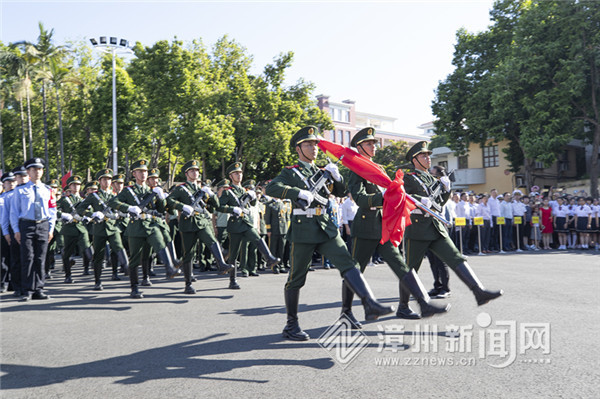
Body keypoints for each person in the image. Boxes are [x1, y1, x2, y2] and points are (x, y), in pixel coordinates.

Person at [266, 126, 395, 340]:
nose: (314, 148)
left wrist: (337, 178)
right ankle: (291, 324)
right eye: (309, 144)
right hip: (303, 229)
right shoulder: (291, 172)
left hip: (325, 226)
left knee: (349, 264)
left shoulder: (321, 172)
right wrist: (298, 192)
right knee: (297, 277)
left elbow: (343, 192)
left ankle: (369, 304)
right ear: (298, 149)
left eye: (316, 144)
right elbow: (272, 188)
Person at [340, 128, 448, 324]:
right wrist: (382, 198)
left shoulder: (379, 168)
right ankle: (346, 312)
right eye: (369, 143)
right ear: (359, 147)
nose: (374, 146)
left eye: (374, 143)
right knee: (355, 270)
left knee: (401, 265)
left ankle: (417, 304)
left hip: (383, 226)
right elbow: (359, 198)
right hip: (365, 226)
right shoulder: (356, 168)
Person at [403, 141, 503, 308]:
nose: (428, 158)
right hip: (417, 228)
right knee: (410, 268)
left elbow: (439, 203)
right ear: (414, 160)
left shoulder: (431, 178)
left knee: (456, 258)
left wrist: (446, 188)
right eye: (423, 155)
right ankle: (403, 307)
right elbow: (401, 197)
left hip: (435, 227)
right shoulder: (409, 178)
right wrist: (421, 200)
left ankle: (479, 291)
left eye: (428, 155)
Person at [108, 159, 182, 298]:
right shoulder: (128, 191)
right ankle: (134, 287)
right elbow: (113, 202)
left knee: (159, 242)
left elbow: (160, 209)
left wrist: (161, 198)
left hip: (151, 224)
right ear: (134, 174)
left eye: (145, 171)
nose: (143, 174)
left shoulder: (151, 191)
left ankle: (169, 268)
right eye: (140, 171)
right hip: (136, 226)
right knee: (135, 258)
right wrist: (128, 208)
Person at [167, 160, 234, 294]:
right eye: (192, 170)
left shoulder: (202, 190)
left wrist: (210, 193)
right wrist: (183, 207)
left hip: (202, 221)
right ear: (186, 174)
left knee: (211, 240)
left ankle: (221, 264)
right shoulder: (181, 188)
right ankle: (188, 283)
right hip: (188, 223)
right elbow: (169, 200)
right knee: (189, 254)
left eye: (197, 170)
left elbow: (214, 205)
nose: (195, 172)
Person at [218, 162, 280, 289]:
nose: (239, 175)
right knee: (234, 253)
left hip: (246, 222)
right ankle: (232, 280)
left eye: (240, 173)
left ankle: (269, 258)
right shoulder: (228, 192)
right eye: (236, 173)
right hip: (235, 224)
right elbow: (220, 207)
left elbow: (252, 205)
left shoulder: (245, 190)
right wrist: (233, 209)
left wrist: (253, 198)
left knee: (257, 238)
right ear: (231, 176)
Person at [9, 158, 57, 301]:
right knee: (27, 258)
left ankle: (39, 288)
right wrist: (16, 230)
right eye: (33, 169)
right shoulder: (20, 190)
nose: (37, 172)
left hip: (42, 225)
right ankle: (28, 289)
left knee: (40, 258)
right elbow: (14, 212)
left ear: (42, 171)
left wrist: (51, 228)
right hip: (27, 225)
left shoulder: (48, 190)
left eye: (39, 169)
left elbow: (52, 211)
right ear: (28, 172)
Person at [75, 169, 129, 290]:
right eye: (104, 179)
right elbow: (80, 209)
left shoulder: (115, 196)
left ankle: (124, 270)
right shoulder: (94, 196)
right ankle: (97, 280)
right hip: (99, 228)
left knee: (118, 248)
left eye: (109, 179)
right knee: (99, 255)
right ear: (99, 181)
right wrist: (92, 214)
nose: (107, 182)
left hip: (113, 227)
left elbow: (123, 207)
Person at [56, 175, 94, 283]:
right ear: (69, 186)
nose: (76, 186)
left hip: (81, 227)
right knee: (67, 253)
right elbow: (54, 209)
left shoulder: (84, 200)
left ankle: (89, 267)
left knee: (87, 247)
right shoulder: (65, 199)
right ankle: (68, 275)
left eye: (78, 184)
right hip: (69, 228)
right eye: (74, 185)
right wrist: (62, 214)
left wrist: (88, 215)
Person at [0, 172, 16, 293]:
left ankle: (13, 282)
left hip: (15, 229)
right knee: (3, 258)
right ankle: (3, 282)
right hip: (2, 230)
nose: (10, 184)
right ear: (3, 184)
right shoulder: (1, 198)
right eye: (7, 182)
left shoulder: (18, 196)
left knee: (15, 257)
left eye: (12, 181)